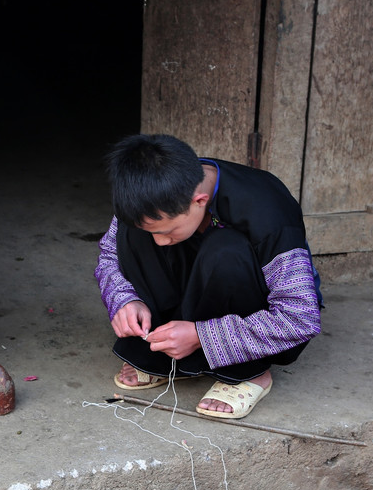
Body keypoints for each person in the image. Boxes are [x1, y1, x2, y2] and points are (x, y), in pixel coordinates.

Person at [95, 134, 321, 419]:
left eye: (166, 232)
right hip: (195, 286)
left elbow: (301, 317)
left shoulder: (267, 211)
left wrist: (202, 335)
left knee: (226, 250)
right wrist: (125, 299)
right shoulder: (152, 195)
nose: (161, 243)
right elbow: (109, 256)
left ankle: (249, 374)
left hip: (257, 306)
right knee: (134, 232)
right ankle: (166, 352)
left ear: (199, 200)